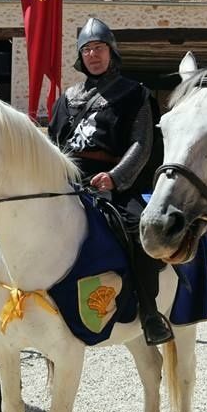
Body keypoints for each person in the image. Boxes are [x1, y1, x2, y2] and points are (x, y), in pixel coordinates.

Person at [48, 17, 172, 345]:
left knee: (139, 229)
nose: (93, 54)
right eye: (87, 49)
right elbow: (53, 143)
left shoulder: (134, 94)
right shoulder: (67, 98)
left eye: (99, 48)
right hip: (68, 181)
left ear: (111, 52)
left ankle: (149, 312)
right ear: (80, 56)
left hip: (111, 184)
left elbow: (141, 144)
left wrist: (115, 178)